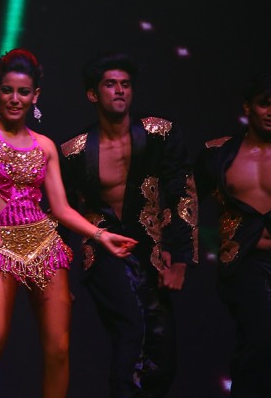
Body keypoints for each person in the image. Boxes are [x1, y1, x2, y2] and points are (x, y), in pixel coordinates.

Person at [0, 49, 137, 398]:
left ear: (35, 96)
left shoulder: (45, 146)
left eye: (23, 92)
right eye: (8, 90)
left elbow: (62, 208)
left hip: (44, 243)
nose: (15, 99)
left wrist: (101, 236)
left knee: (58, 348)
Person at [58, 53, 194, 397]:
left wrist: (179, 259)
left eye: (125, 84)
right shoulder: (74, 152)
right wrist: (58, 280)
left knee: (162, 355)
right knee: (131, 330)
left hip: (153, 250)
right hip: (103, 249)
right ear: (93, 94)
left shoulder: (159, 133)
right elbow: (61, 214)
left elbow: (182, 194)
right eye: (110, 84)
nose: (119, 90)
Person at [195, 71, 271, 398]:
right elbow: (184, 202)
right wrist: (175, 255)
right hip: (245, 262)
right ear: (248, 107)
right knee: (262, 338)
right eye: (265, 104)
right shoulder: (219, 153)